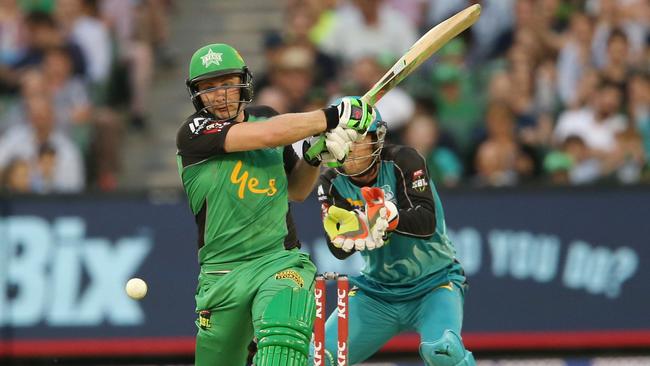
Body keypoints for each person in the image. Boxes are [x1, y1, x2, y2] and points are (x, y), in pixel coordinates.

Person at [175, 43, 377, 366]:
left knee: (282, 346)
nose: (219, 94)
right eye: (208, 87)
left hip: (278, 261)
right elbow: (267, 136)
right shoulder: (193, 132)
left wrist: (313, 157)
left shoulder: (267, 117)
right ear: (196, 94)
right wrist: (332, 116)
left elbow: (296, 190)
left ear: (244, 82)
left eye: (227, 82)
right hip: (222, 274)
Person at [315, 113, 475, 365]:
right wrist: (349, 235)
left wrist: (391, 216)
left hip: (434, 284)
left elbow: (426, 222)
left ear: (374, 139)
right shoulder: (331, 181)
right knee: (318, 358)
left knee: (444, 352)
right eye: (344, 140)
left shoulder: (404, 160)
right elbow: (339, 250)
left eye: (358, 139)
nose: (351, 148)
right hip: (377, 292)